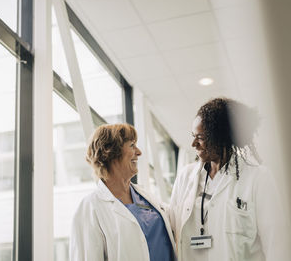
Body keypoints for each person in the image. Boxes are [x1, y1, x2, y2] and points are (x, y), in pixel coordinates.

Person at [169, 97, 289, 261]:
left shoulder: (258, 178)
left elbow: (277, 245)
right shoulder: (185, 177)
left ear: (221, 137)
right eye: (193, 135)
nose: (193, 144)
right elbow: (172, 231)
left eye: (201, 137)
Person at [70, 123, 175, 261]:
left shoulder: (145, 196)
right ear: (111, 152)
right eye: (132, 145)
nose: (139, 152)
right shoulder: (90, 208)